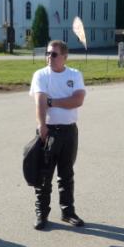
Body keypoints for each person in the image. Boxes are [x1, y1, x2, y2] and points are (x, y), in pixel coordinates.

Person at [29, 40, 86, 230]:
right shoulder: (41, 75)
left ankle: (68, 212)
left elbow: (78, 100)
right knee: (44, 176)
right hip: (49, 130)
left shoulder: (74, 75)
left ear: (64, 56)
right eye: (47, 53)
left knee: (66, 174)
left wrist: (52, 102)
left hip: (69, 131)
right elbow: (40, 102)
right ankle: (41, 213)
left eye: (53, 54)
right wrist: (42, 125)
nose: (49, 57)